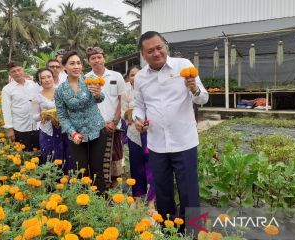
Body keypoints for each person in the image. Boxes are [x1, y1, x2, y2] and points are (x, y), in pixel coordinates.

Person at [133, 31, 209, 226]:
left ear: (165, 46)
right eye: (150, 51)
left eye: (160, 47)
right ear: (143, 55)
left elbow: (203, 98)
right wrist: (138, 120)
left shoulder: (184, 65)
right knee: (163, 193)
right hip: (157, 144)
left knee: (189, 193)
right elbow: (140, 105)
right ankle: (169, 233)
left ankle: (193, 232)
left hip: (184, 141)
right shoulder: (140, 78)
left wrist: (194, 89)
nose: (157, 53)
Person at [55, 51, 107, 193]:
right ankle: (84, 205)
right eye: (72, 63)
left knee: (97, 169)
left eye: (78, 63)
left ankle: (102, 202)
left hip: (97, 130)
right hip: (77, 136)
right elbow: (62, 116)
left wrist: (97, 93)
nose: (76, 66)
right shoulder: (60, 90)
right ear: (64, 66)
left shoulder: (89, 81)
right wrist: (73, 133)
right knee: (81, 171)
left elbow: (100, 98)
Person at [85, 47, 127, 187]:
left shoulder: (116, 76)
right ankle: (101, 192)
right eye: (93, 58)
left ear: (104, 58)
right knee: (97, 163)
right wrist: (101, 123)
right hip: (95, 128)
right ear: (88, 61)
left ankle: (114, 193)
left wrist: (115, 122)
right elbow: (85, 105)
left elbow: (122, 100)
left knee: (115, 161)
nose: (97, 60)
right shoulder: (85, 79)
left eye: (99, 57)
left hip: (114, 127)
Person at [121, 65, 156, 212]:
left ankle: (152, 202)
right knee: (136, 167)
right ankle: (137, 199)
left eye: (138, 74)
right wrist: (127, 117)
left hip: (151, 133)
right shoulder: (126, 92)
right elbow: (122, 110)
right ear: (128, 78)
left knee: (151, 168)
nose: (135, 77)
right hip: (134, 134)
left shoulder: (151, 89)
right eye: (132, 75)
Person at [32, 68, 72, 173]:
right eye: (43, 78)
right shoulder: (37, 97)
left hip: (64, 129)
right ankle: (53, 187)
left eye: (48, 77)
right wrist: (47, 115)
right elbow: (34, 117)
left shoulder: (62, 92)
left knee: (68, 157)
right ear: (39, 81)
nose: (46, 80)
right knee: (51, 157)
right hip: (48, 132)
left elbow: (70, 109)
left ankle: (68, 185)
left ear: (53, 78)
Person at [1, 61, 40, 151]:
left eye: (19, 70)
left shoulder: (33, 84)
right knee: (25, 155)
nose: (17, 73)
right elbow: (6, 110)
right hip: (21, 127)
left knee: (40, 153)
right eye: (13, 71)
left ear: (23, 70)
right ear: (10, 74)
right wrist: (9, 129)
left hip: (37, 125)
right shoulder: (7, 89)